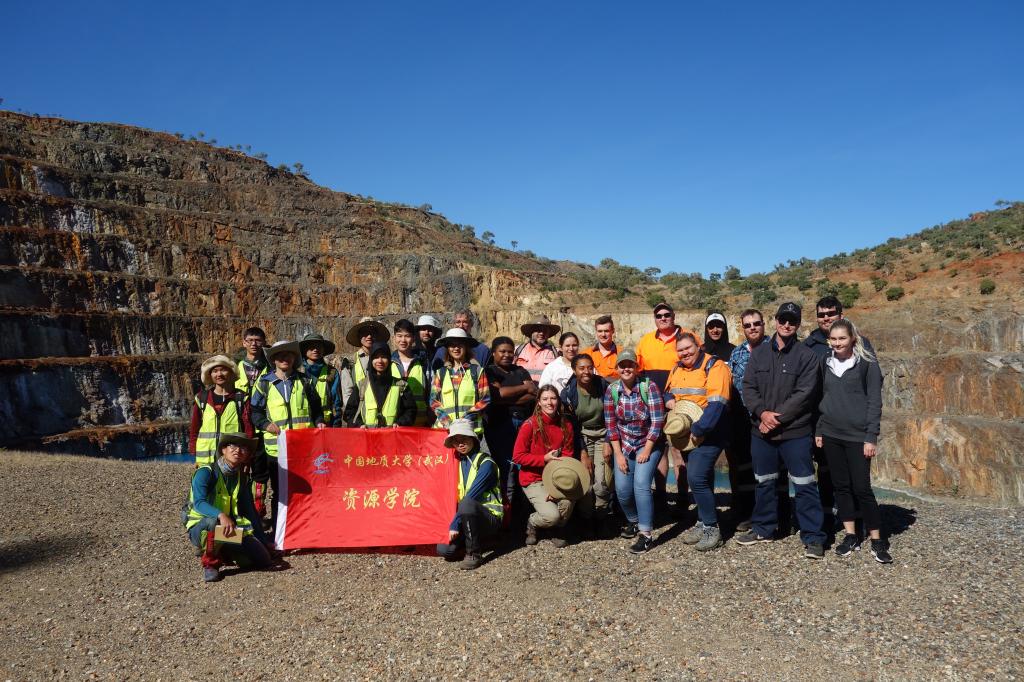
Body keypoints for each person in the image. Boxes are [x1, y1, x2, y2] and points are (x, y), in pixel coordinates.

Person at [738, 303, 827, 559]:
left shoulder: (806, 356)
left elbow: (804, 394)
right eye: (783, 319)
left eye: (792, 321)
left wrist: (775, 418)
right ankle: (763, 528)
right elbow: (748, 387)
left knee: (804, 484)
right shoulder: (759, 354)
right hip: (762, 433)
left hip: (795, 433)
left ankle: (813, 537)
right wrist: (762, 413)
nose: (787, 325)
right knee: (764, 482)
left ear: (798, 324)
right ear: (775, 320)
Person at [816, 320, 892, 563]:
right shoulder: (825, 362)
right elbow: (824, 397)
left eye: (842, 338)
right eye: (833, 339)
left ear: (852, 339)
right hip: (831, 434)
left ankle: (877, 538)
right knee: (841, 487)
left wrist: (871, 436)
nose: (837, 343)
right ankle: (851, 535)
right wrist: (819, 429)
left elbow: (874, 401)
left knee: (862, 488)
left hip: (858, 436)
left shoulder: (866, 363)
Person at [802, 295, 876, 531]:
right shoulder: (809, 346)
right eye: (821, 314)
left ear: (841, 315)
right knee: (827, 473)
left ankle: (860, 521)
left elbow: (872, 389)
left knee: (856, 479)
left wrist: (870, 432)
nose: (826, 318)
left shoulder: (862, 345)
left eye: (830, 313)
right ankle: (828, 519)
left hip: (853, 427)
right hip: (822, 422)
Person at [665, 333, 733, 552]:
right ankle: (703, 521)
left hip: (710, 433)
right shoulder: (677, 369)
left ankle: (712, 529)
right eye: (680, 350)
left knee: (696, 477)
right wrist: (669, 401)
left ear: (699, 346)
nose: (685, 353)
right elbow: (668, 392)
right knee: (704, 478)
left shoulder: (715, 367)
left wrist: (698, 430)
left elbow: (717, 403)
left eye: (688, 348)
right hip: (686, 433)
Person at [250, 340, 325, 534]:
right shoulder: (264, 383)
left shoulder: (306, 381)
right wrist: (265, 424)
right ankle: (281, 533)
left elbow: (317, 408)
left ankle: (305, 532)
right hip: (276, 450)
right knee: (280, 493)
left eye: (289, 354)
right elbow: (255, 412)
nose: (285, 358)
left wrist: (319, 422)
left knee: (306, 491)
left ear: (294, 358)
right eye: (280, 355)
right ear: (273, 359)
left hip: (303, 449)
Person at [183, 433, 276, 583]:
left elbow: (250, 512)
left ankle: (223, 549)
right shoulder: (205, 473)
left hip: (227, 530)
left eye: (243, 447)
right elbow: (198, 503)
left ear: (247, 454)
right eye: (233, 445)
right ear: (223, 450)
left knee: (263, 559)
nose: (238, 450)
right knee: (213, 522)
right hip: (201, 528)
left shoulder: (241, 477)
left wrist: (263, 541)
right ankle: (210, 564)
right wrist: (221, 515)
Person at [635, 302, 695, 513]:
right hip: (652, 404)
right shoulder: (646, 341)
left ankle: (682, 497)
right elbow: (638, 373)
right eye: (658, 315)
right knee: (659, 450)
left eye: (666, 314)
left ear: (673, 315)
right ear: (655, 318)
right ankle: (660, 496)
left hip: (678, 403)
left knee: (679, 450)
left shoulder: (688, 337)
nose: (663, 318)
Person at [604, 349, 666, 554]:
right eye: (622, 365)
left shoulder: (649, 387)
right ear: (617, 368)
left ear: (636, 367)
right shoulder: (612, 390)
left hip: (648, 443)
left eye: (630, 365)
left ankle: (645, 534)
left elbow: (657, 421)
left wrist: (646, 450)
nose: (626, 369)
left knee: (641, 485)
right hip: (624, 445)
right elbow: (611, 425)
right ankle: (634, 520)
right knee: (622, 490)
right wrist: (618, 454)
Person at [513, 385, 581, 547]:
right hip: (533, 478)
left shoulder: (566, 425)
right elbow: (518, 456)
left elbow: (567, 456)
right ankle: (533, 522)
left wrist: (555, 487)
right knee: (551, 516)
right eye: (545, 399)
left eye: (553, 398)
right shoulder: (529, 425)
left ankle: (555, 529)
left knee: (568, 502)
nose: (549, 402)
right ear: (538, 402)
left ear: (558, 401)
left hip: (556, 477)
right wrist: (543, 459)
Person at [436, 420, 504, 570]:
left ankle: (474, 553)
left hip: (489, 517)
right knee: (444, 550)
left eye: (464, 438)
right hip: (465, 517)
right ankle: (481, 541)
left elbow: (470, 497)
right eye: (456, 440)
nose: (460, 444)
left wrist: (454, 524)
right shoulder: (456, 463)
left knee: (467, 503)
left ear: (473, 438)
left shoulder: (486, 463)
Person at [726, 309, 769, 531]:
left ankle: (773, 515)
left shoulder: (775, 348)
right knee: (745, 468)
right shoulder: (737, 353)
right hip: (742, 420)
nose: (752, 328)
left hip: (768, 419)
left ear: (764, 324)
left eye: (756, 323)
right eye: (747, 325)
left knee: (770, 470)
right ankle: (748, 513)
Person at [560, 353, 612, 528]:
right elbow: (571, 426)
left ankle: (601, 516)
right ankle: (586, 519)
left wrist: (608, 441)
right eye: (581, 368)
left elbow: (613, 416)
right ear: (574, 370)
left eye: (590, 367)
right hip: (581, 436)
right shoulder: (568, 393)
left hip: (603, 435)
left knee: (602, 480)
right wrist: (582, 452)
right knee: (585, 480)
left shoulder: (603, 386)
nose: (586, 371)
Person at [484, 336, 537, 504]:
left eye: (510, 352)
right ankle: (505, 507)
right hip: (500, 425)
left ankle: (522, 507)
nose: (507, 355)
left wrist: (507, 398)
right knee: (505, 466)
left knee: (523, 464)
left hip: (523, 423)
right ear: (493, 353)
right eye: (502, 351)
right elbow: (498, 395)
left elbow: (533, 394)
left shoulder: (520, 370)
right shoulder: (489, 372)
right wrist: (524, 387)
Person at [189, 355, 253, 467]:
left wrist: (247, 458)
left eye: (223, 370)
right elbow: (195, 428)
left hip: (232, 460)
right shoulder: (202, 398)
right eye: (215, 371)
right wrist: (194, 453)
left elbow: (248, 430)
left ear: (231, 373)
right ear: (210, 375)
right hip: (205, 459)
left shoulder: (241, 398)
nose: (219, 374)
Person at [430, 328, 490, 437]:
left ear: (466, 347)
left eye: (460, 345)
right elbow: (434, 401)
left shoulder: (477, 371)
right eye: (452, 345)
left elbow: (485, 399)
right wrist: (448, 423)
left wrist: (465, 421)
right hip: (445, 430)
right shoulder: (440, 373)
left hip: (471, 429)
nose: (456, 348)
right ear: (448, 348)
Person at [344, 341, 417, 428]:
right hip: (367, 435)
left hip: (393, 435)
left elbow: (411, 410)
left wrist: (400, 423)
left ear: (389, 360)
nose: (380, 361)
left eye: (383, 357)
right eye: (376, 357)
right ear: (371, 360)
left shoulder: (401, 386)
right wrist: (359, 425)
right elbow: (350, 412)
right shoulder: (361, 386)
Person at [391, 318, 433, 426]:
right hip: (394, 425)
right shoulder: (388, 363)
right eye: (399, 336)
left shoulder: (423, 362)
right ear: (394, 338)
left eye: (407, 336)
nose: (403, 340)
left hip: (420, 424)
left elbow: (430, 392)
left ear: (413, 338)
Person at [300, 333, 338, 426]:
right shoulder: (296, 371)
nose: (315, 349)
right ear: (304, 349)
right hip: (303, 425)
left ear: (324, 350)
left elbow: (336, 401)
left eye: (318, 346)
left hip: (326, 424)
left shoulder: (331, 372)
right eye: (311, 346)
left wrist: (336, 423)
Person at [514, 315, 560, 382]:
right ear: (531, 332)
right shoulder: (517, 350)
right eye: (538, 330)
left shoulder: (557, 353)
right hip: (522, 388)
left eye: (545, 330)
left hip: (545, 388)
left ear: (549, 333)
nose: (541, 333)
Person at [589, 315, 620, 380]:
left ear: (613, 331)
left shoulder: (621, 353)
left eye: (606, 331)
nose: (603, 334)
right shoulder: (587, 354)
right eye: (600, 331)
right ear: (596, 332)